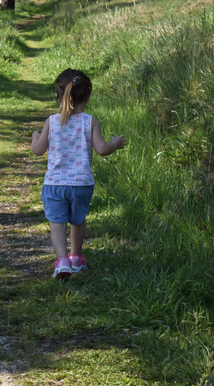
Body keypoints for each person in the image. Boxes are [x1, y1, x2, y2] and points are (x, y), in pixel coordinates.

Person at [31, 68, 126, 279]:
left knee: (57, 223)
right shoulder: (89, 121)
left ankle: (62, 261)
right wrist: (115, 144)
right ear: (88, 96)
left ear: (58, 96)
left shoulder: (51, 122)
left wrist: (34, 137)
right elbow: (102, 149)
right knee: (77, 220)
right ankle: (76, 257)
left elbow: (38, 150)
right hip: (81, 185)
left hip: (55, 184)